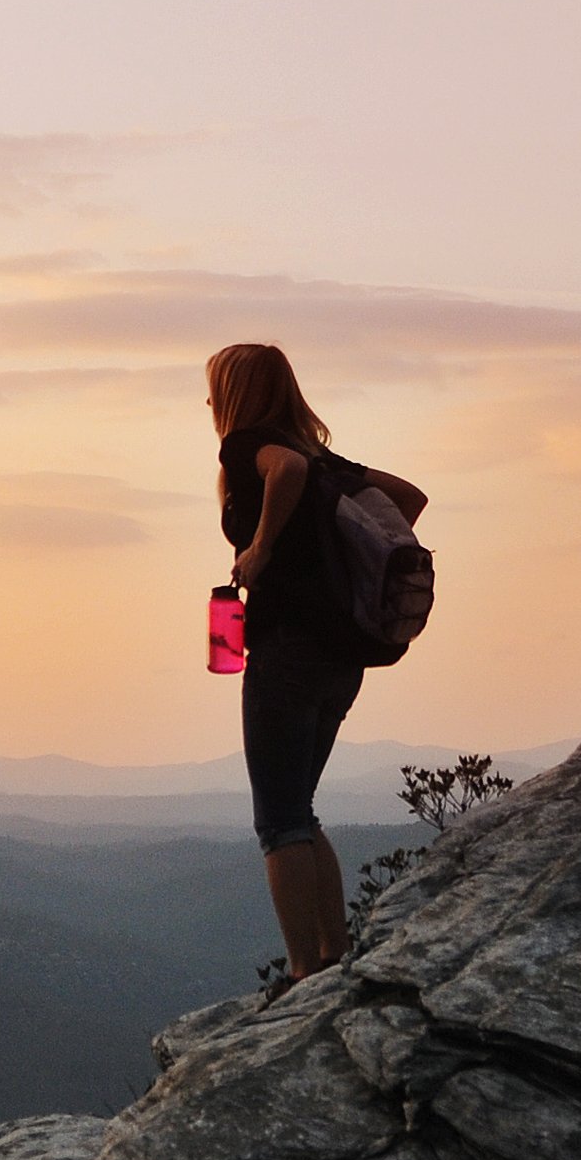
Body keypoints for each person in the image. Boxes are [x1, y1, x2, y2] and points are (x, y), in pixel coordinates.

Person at [209, 342, 427, 987]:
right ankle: (334, 954)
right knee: (300, 808)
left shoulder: (251, 445)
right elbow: (408, 499)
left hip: (286, 651)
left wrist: (261, 550)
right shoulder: (323, 457)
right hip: (343, 654)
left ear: (233, 392)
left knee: (278, 819)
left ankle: (305, 971)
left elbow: (286, 475)